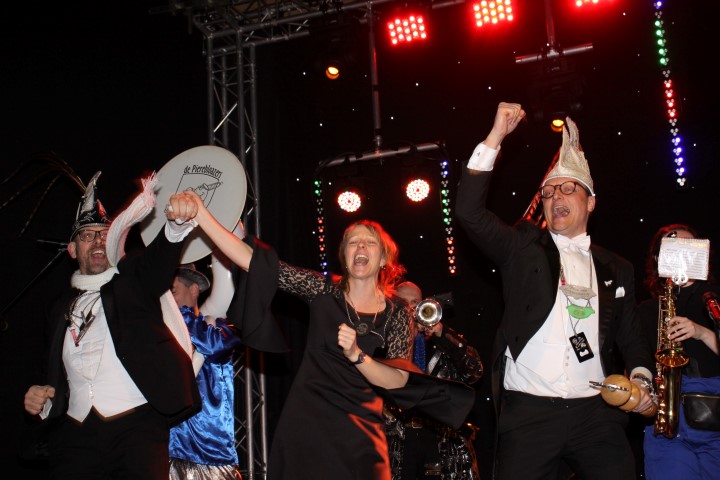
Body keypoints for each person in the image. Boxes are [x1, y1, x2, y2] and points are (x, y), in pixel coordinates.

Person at [165, 191, 475, 480]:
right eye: (353, 242)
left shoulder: (397, 312)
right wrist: (201, 214)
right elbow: (253, 261)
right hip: (307, 422)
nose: (360, 247)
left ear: (383, 259)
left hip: (361, 430)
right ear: (344, 255)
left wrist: (358, 356)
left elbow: (398, 379)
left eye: (369, 242)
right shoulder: (323, 290)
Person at [454, 102, 656, 480]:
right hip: (530, 414)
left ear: (591, 201)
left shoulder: (618, 268)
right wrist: (496, 136)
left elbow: (632, 338)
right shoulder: (522, 246)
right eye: (548, 192)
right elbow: (469, 213)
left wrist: (642, 382)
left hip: (596, 413)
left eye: (568, 189)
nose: (556, 197)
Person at [23, 172, 202, 480]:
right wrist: (42, 402)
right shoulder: (58, 308)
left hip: (136, 432)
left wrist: (175, 227)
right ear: (72, 250)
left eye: (104, 235)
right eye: (86, 236)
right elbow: (55, 377)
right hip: (74, 438)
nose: (97, 241)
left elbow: (156, 266)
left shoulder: (132, 283)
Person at [636, 224, 720, 479]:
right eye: (672, 248)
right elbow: (638, 360)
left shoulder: (714, 299)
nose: (682, 253)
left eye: (689, 247)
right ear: (659, 258)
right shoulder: (646, 310)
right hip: (667, 416)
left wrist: (702, 332)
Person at [385, 280, 484, 479]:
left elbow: (474, 371)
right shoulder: (385, 341)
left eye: (415, 302)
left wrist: (440, 333)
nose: (411, 308)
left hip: (441, 442)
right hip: (398, 442)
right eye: (403, 302)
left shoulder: (442, 342)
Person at [169, 263, 243, 480]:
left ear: (193, 290)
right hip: (168, 451)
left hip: (210, 457)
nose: (166, 300)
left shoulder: (220, 328)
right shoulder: (160, 332)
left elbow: (214, 345)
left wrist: (180, 315)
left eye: (172, 292)